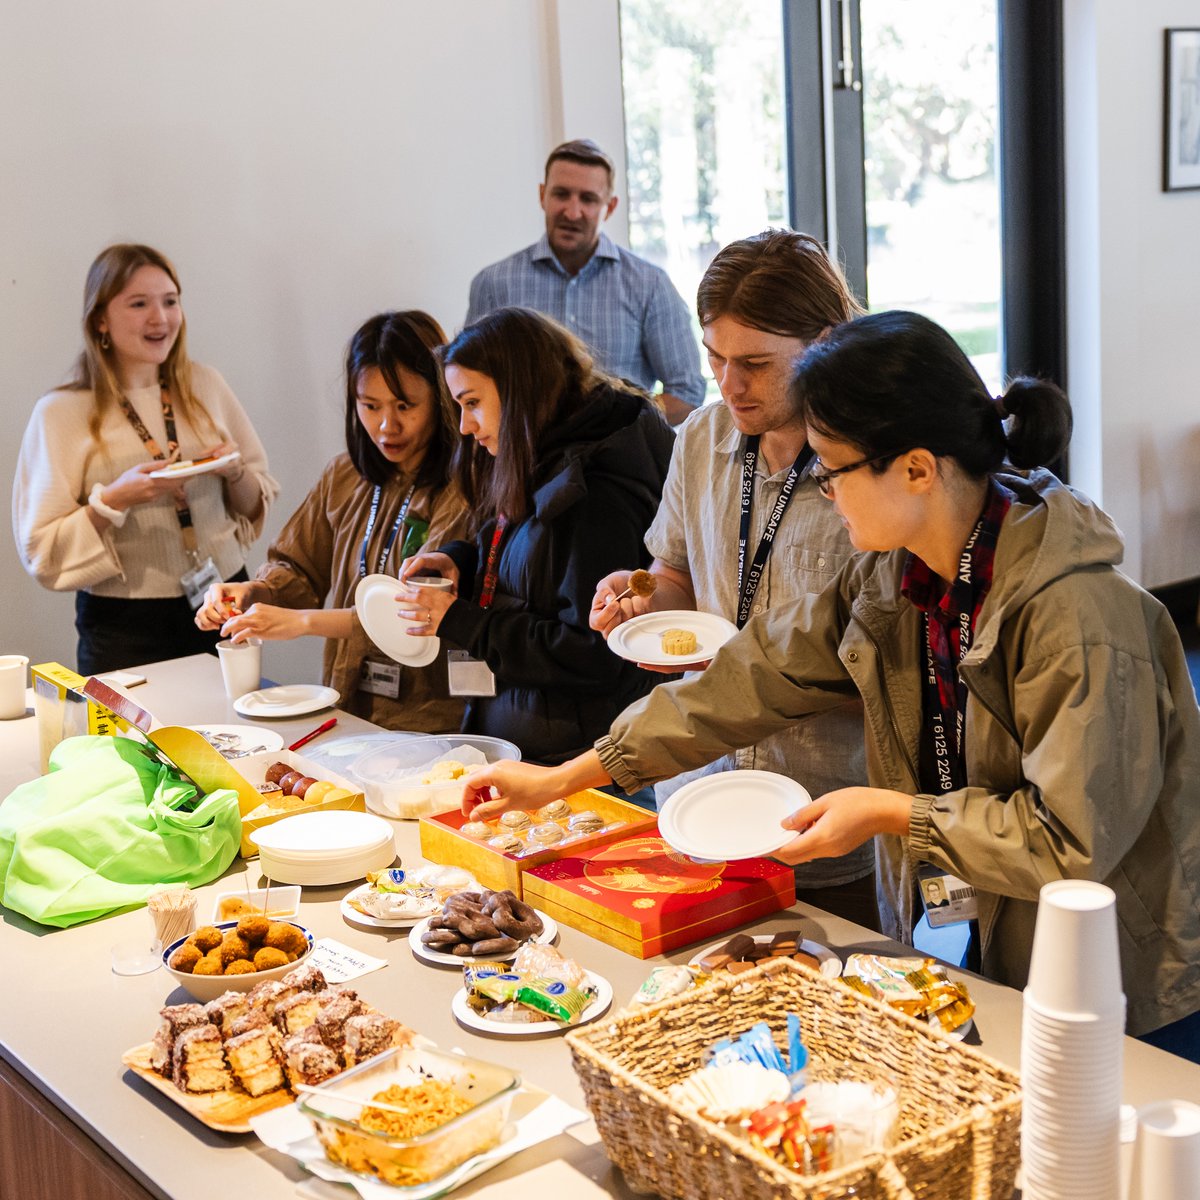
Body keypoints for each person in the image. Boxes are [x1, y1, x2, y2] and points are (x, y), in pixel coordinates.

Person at [459, 310, 1200, 1053]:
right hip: (1010, 939)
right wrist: (565, 779)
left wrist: (892, 813)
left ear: (916, 468)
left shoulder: (1078, 616)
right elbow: (751, 677)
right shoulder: (897, 570)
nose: (824, 490)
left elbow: (1068, 840)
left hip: (1135, 978)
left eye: (833, 468)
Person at [588, 230, 878, 929]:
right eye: (714, 358)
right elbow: (675, 574)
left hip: (824, 811)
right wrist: (641, 599)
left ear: (826, 342)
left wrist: (756, 672)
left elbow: (893, 669)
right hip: (700, 792)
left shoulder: (871, 468)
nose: (729, 384)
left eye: (754, 363)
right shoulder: (702, 438)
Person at [396, 306, 675, 766]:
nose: (465, 427)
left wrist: (464, 622)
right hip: (540, 746)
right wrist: (461, 563)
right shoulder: (547, 456)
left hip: (577, 759)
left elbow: (591, 653)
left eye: (471, 403)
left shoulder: (595, 495)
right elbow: (528, 562)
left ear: (518, 390)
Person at [195, 312, 471, 732]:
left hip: (431, 715)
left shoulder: (462, 485)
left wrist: (302, 623)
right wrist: (254, 593)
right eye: (370, 405)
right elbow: (298, 569)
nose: (386, 426)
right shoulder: (344, 475)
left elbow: (412, 610)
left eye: (405, 406)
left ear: (440, 397)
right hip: (346, 702)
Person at [13, 243, 277, 675]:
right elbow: (40, 548)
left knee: (238, 736)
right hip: (126, 625)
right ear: (101, 319)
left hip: (224, 599)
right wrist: (114, 499)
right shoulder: (61, 412)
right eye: (139, 304)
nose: (161, 318)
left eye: (170, 301)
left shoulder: (206, 385)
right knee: (130, 742)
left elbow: (254, 505)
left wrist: (234, 471)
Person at [465, 138, 705, 426]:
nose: (572, 212)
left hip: (620, 463)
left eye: (588, 199)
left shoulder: (650, 285)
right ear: (543, 196)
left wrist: (617, 420)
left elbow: (687, 390)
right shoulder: (493, 285)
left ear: (610, 206)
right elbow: (468, 384)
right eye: (561, 194)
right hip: (520, 463)